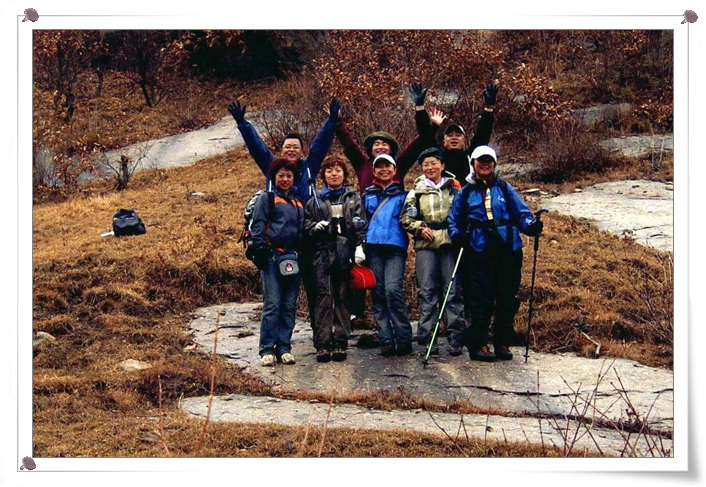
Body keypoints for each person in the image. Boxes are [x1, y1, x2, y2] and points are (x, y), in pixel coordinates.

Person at [228, 97, 342, 332]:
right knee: (277, 299)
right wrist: (242, 123)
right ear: (281, 151)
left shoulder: (309, 168)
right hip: (279, 244)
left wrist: (332, 120)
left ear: (302, 152)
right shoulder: (273, 169)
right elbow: (256, 147)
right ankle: (274, 343)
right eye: (287, 147)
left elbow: (321, 143)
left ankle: (319, 336)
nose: (291, 150)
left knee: (314, 289)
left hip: (308, 238)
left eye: (296, 147)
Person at [333, 83, 430, 324]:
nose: (380, 147)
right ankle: (357, 315)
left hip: (392, 231)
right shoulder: (362, 164)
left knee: (389, 286)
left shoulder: (398, 165)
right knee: (359, 269)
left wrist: (424, 113)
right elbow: (348, 143)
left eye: (385, 145)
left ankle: (396, 328)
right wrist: (336, 121)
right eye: (376, 144)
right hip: (365, 224)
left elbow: (418, 144)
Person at [447, 145, 543, 362]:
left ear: (494, 163)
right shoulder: (466, 192)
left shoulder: (504, 188)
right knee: (481, 298)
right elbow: (454, 220)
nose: (485, 164)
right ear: (473, 163)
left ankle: (502, 341)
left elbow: (522, 213)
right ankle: (478, 343)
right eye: (480, 160)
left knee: (507, 297)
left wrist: (531, 226)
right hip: (479, 250)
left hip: (508, 249)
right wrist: (457, 235)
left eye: (489, 160)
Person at [400, 147, 468, 356]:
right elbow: (406, 218)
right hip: (426, 245)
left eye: (434, 163)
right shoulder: (416, 191)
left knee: (452, 291)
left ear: (442, 165)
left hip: (449, 243)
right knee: (427, 292)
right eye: (426, 164)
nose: (430, 167)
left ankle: (456, 339)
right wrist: (419, 228)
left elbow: (463, 213)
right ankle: (427, 340)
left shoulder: (454, 188)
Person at [304, 156, 366, 363]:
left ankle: (340, 341)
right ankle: (322, 343)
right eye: (329, 170)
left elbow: (360, 224)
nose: (334, 174)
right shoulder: (315, 200)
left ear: (344, 174)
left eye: (338, 170)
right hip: (322, 254)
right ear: (323, 175)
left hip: (346, 252)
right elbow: (306, 225)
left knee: (343, 296)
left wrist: (360, 247)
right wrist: (315, 227)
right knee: (323, 297)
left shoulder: (353, 198)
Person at [249, 158, 307, 366]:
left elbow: (302, 230)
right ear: (274, 177)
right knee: (273, 303)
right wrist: (260, 249)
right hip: (272, 257)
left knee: (289, 304)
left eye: (289, 176)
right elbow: (258, 224)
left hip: (293, 257)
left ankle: (284, 346)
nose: (285, 179)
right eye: (281, 175)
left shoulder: (298, 202)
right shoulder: (267, 198)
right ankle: (266, 348)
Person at [363, 154, 413, 357]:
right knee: (378, 293)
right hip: (373, 247)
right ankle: (386, 339)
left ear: (394, 170)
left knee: (393, 290)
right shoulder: (367, 194)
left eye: (388, 166)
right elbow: (361, 220)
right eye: (379, 166)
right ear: (374, 171)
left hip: (395, 247)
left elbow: (410, 219)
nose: (384, 170)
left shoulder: (404, 195)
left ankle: (403, 337)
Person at [417, 83, 498, 186]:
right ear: (444, 141)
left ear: (464, 140)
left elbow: (483, 133)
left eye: (458, 135)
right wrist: (419, 108)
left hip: (466, 195)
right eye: (450, 135)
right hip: (443, 195)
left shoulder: (471, 157)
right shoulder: (437, 156)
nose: (454, 138)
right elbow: (425, 134)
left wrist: (489, 109)